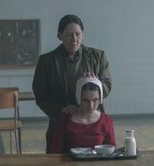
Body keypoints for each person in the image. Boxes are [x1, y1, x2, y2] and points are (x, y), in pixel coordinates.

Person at [32, 14, 112, 153]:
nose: (74, 39)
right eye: (69, 35)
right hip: (61, 125)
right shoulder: (46, 61)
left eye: (77, 34)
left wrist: (95, 83)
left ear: (83, 34)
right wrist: (61, 110)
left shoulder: (98, 56)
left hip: (94, 125)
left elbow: (107, 86)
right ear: (59, 35)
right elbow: (41, 95)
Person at [49, 76, 116, 153]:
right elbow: (54, 151)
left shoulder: (106, 121)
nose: (91, 105)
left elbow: (112, 152)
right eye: (85, 100)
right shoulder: (65, 118)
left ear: (100, 99)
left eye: (95, 100)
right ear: (78, 98)